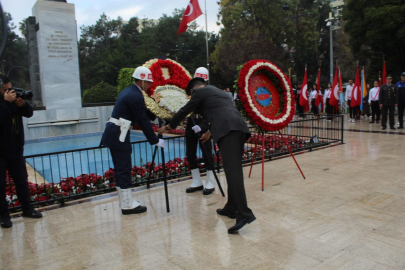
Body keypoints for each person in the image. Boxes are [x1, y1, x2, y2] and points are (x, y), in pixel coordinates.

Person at [159, 78, 256, 234]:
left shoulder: (199, 92)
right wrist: (209, 133)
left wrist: (169, 126)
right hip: (238, 128)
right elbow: (220, 113)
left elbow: (185, 110)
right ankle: (231, 208)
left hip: (228, 131)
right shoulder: (217, 91)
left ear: (193, 91)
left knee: (234, 174)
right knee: (233, 171)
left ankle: (244, 214)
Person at [101, 67, 165, 215]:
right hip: (118, 134)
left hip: (116, 133)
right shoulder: (135, 95)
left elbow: (141, 115)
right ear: (141, 80)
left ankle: (125, 202)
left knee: (120, 169)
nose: (149, 85)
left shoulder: (130, 92)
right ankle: (128, 205)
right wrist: (154, 140)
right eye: (148, 82)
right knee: (123, 169)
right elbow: (142, 120)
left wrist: (155, 106)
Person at [0, 75, 42, 228]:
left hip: (15, 149)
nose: (9, 91)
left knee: (21, 181)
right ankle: (4, 215)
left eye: (10, 88)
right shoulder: (5, 104)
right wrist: (6, 103)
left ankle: (27, 209)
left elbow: (29, 113)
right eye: (5, 90)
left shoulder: (13, 102)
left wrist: (22, 104)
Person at [185, 67, 216, 195]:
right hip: (191, 122)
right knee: (190, 153)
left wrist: (204, 127)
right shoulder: (190, 91)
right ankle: (196, 181)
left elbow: (210, 112)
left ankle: (210, 181)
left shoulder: (210, 93)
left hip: (204, 122)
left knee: (207, 153)